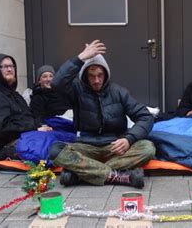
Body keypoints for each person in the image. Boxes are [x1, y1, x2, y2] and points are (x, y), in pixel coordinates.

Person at [49, 40, 156, 188]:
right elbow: (56, 83)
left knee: (148, 147)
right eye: (91, 76)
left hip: (115, 146)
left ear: (106, 74)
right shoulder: (76, 90)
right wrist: (81, 58)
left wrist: (128, 140)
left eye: (100, 75)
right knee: (55, 150)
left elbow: (145, 117)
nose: (96, 80)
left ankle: (83, 173)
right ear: (85, 76)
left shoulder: (119, 92)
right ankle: (118, 176)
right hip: (86, 145)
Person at [0, 54, 52, 161]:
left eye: (12, 66)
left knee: (57, 136)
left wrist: (40, 125)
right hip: (3, 146)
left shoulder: (14, 95)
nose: (9, 69)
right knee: (49, 148)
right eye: (4, 66)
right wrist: (35, 128)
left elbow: (28, 117)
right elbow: (4, 128)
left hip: (23, 137)